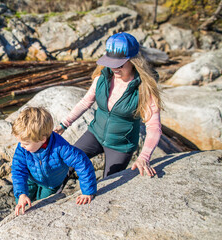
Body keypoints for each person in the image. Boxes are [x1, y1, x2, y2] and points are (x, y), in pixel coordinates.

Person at [54, 32, 162, 179]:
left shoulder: (144, 88)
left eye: (119, 64)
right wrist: (63, 125)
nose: (114, 68)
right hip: (95, 134)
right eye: (111, 63)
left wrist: (144, 157)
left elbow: (154, 126)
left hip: (121, 146)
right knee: (65, 165)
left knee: (109, 182)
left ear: (134, 61)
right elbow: (85, 102)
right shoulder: (102, 78)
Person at [11, 107, 97, 216]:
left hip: (51, 184)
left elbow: (82, 163)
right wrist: (21, 194)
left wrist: (88, 192)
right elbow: (18, 170)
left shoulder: (60, 147)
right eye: (20, 142)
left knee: (41, 206)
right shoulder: (22, 148)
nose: (22, 146)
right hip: (30, 179)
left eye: (26, 143)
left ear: (42, 139)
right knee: (24, 201)